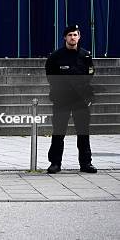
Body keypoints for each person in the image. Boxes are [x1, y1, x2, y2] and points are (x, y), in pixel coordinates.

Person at [46, 24, 97, 174]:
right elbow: (51, 76)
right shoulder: (56, 56)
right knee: (59, 132)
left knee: (83, 132)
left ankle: (86, 163)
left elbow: (90, 74)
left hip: (80, 100)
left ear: (79, 36)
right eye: (70, 35)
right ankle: (55, 163)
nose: (72, 38)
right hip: (62, 100)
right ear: (65, 37)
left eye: (75, 35)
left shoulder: (85, 55)